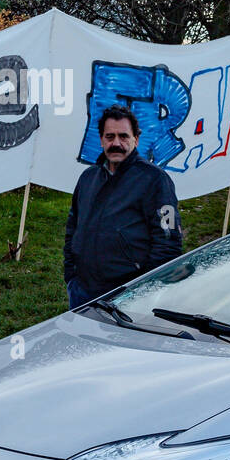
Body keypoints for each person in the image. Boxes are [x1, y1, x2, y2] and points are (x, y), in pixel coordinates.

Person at [64, 104, 183, 309]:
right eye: (110, 137)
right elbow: (72, 228)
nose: (116, 143)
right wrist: (71, 274)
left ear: (136, 139)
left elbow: (168, 243)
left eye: (124, 136)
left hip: (126, 298)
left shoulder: (155, 180)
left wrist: (141, 291)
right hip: (81, 292)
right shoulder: (88, 178)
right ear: (101, 140)